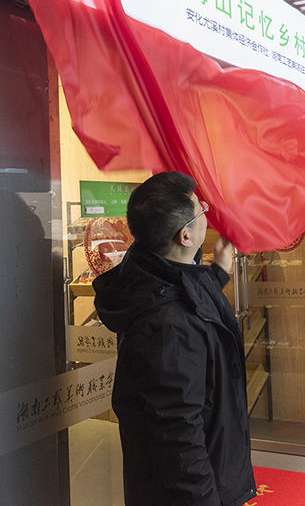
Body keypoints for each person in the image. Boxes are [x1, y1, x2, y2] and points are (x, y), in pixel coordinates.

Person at [93, 172, 256, 506]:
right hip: (189, 492)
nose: (206, 211)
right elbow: (179, 440)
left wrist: (218, 271)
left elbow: (187, 294)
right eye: (201, 209)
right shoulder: (168, 328)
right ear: (185, 235)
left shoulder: (150, 272)